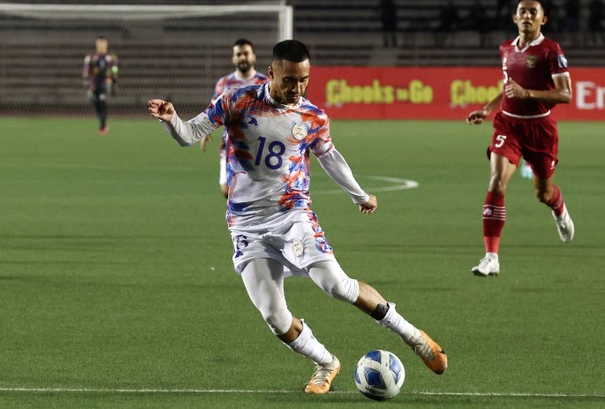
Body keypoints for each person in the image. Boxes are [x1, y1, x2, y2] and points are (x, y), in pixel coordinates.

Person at [148, 39, 447, 394]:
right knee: (275, 317)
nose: (297, 88)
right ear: (271, 73)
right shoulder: (237, 101)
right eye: (290, 80)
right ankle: (325, 363)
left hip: (293, 215)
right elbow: (190, 134)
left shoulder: (312, 117)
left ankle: (413, 336)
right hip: (246, 226)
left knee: (334, 284)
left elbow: (331, 158)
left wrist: (360, 195)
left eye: (304, 79)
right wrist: (171, 120)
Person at [465, 0, 575, 277]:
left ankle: (558, 207)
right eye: (522, 12)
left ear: (543, 19)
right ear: (514, 18)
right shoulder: (506, 48)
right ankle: (491, 257)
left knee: (543, 192)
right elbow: (507, 88)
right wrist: (488, 109)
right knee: (497, 182)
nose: (527, 16)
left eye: (533, 12)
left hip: (541, 129)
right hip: (508, 126)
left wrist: (528, 93)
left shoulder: (551, 50)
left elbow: (566, 94)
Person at [200, 39, 270, 198]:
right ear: (233, 58)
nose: (242, 57)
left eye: (246, 53)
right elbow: (213, 110)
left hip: (258, 147)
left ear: (253, 57)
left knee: (255, 192)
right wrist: (205, 131)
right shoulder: (224, 84)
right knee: (227, 190)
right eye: (239, 54)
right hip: (230, 145)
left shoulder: (265, 83)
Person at [83, 36, 118, 135]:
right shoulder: (91, 57)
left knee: (102, 101)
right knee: (96, 103)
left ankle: (103, 126)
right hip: (94, 85)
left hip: (105, 83)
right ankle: (103, 121)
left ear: (106, 44)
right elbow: (86, 71)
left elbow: (114, 70)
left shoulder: (111, 57)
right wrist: (86, 83)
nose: (101, 45)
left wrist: (114, 83)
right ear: (96, 44)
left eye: (103, 42)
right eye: (99, 42)